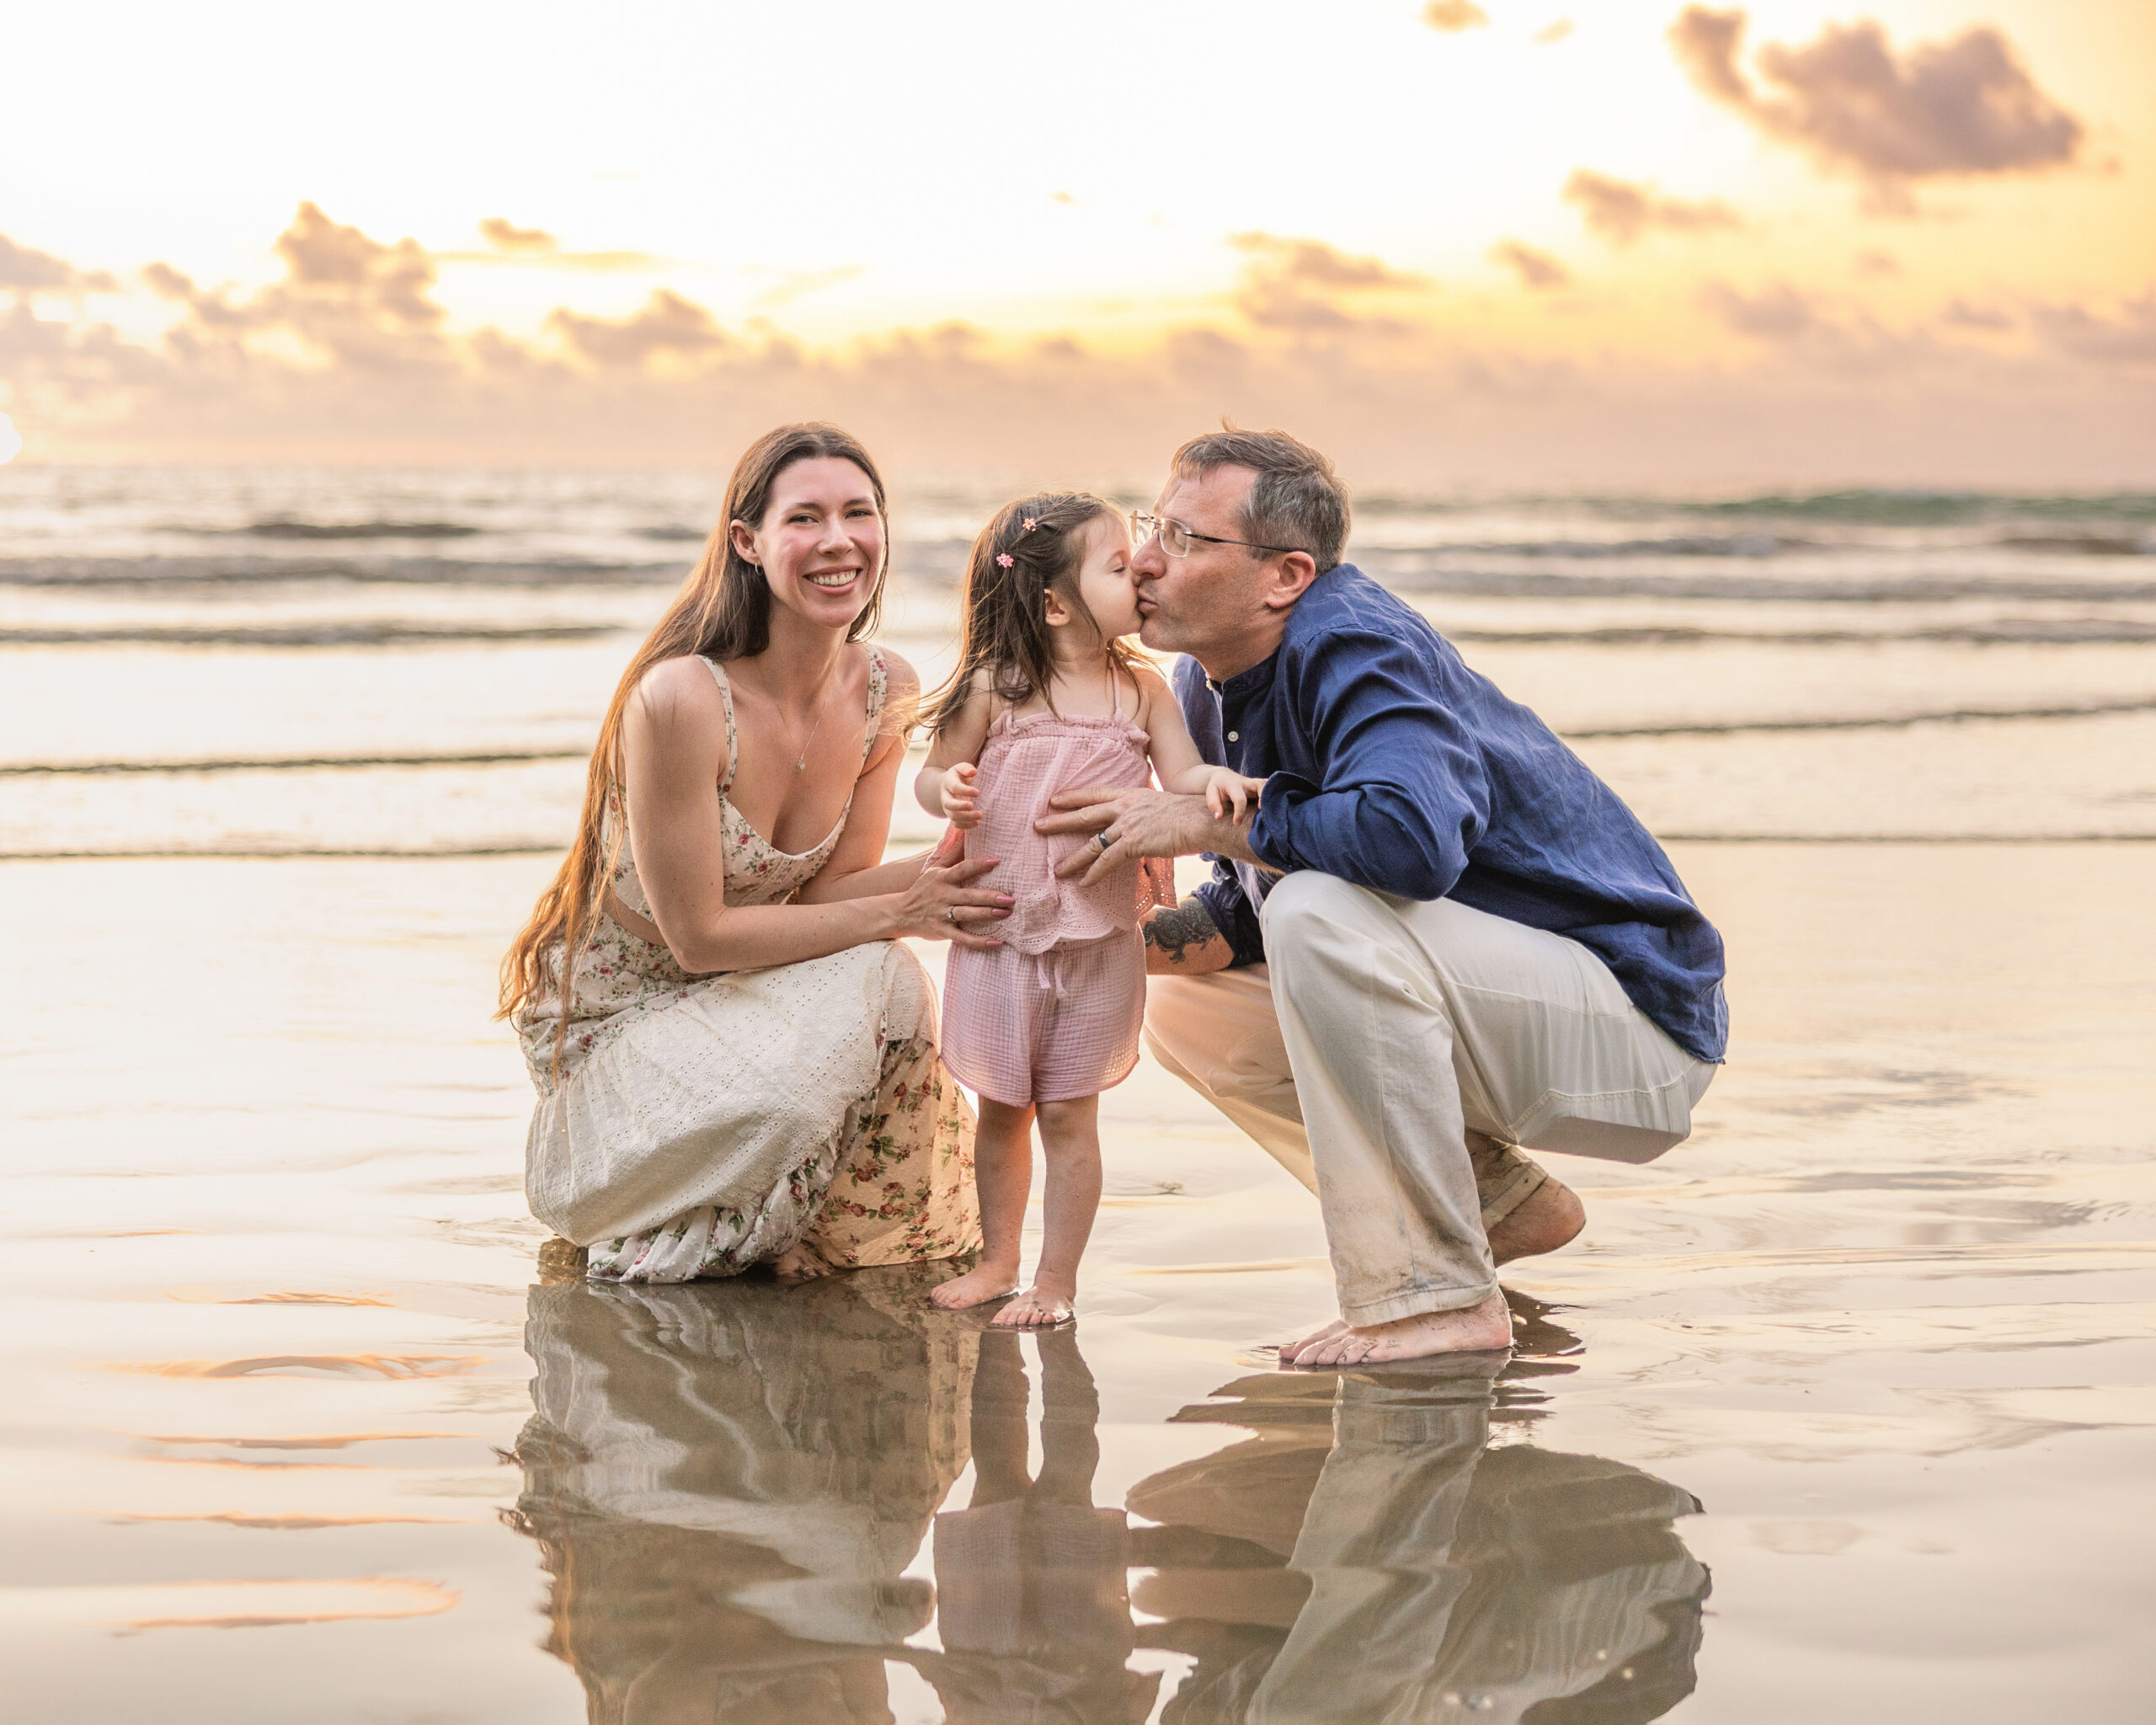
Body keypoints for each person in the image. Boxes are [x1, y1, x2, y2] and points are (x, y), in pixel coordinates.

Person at [1036, 428, 1728, 1365]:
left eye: (1188, 540)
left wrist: (1197, 824)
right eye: (1155, 525)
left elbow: (1409, 841)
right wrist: (1077, 930)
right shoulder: (1208, 682)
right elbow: (1251, 910)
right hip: (1508, 1006)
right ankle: (1497, 1206)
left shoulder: (1355, 643)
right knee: (1186, 1008)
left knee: (1318, 911)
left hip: (1638, 1026)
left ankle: (1433, 1295)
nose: (1146, 558)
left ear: (1286, 575)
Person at [498, 423, 1014, 1284]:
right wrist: (902, 910)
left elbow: (832, 891)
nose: (839, 540)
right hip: (626, 1036)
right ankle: (700, 1215)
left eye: (859, 513)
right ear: (749, 542)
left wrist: (1009, 853)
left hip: (748, 1004)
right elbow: (699, 937)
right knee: (880, 964)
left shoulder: (885, 686)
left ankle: (821, 1237)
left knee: (884, 968)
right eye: (805, 518)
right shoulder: (680, 698)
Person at [914, 493, 1262, 1326]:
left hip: (1099, 940)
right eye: (1117, 565)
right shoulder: (994, 690)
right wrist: (946, 789)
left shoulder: (1140, 691)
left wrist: (1210, 784)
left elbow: (1178, 774)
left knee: (1070, 1115)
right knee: (1002, 1110)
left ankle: (1056, 1280)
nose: (1141, 570)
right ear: (1056, 602)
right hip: (1001, 933)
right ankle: (998, 1260)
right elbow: (931, 776)